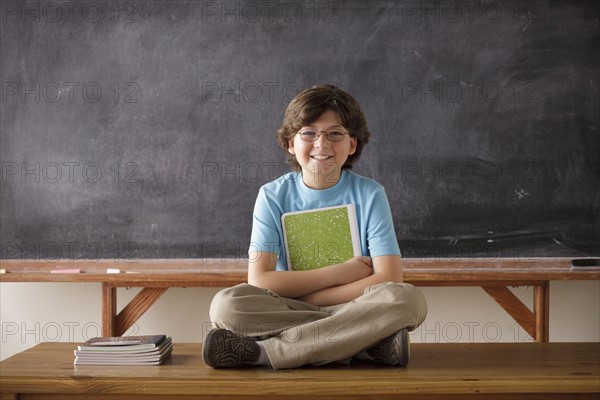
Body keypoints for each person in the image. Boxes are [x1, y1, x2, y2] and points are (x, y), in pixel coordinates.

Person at [203, 84, 427, 369]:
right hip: (290, 308)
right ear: (290, 143)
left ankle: (262, 353)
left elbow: (389, 278)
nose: (322, 144)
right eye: (308, 133)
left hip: (353, 305)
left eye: (335, 133)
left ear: (352, 144)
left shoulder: (371, 194)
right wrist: (341, 272)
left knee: (407, 299)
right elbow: (260, 280)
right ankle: (363, 347)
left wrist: (315, 297)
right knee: (227, 305)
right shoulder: (272, 195)